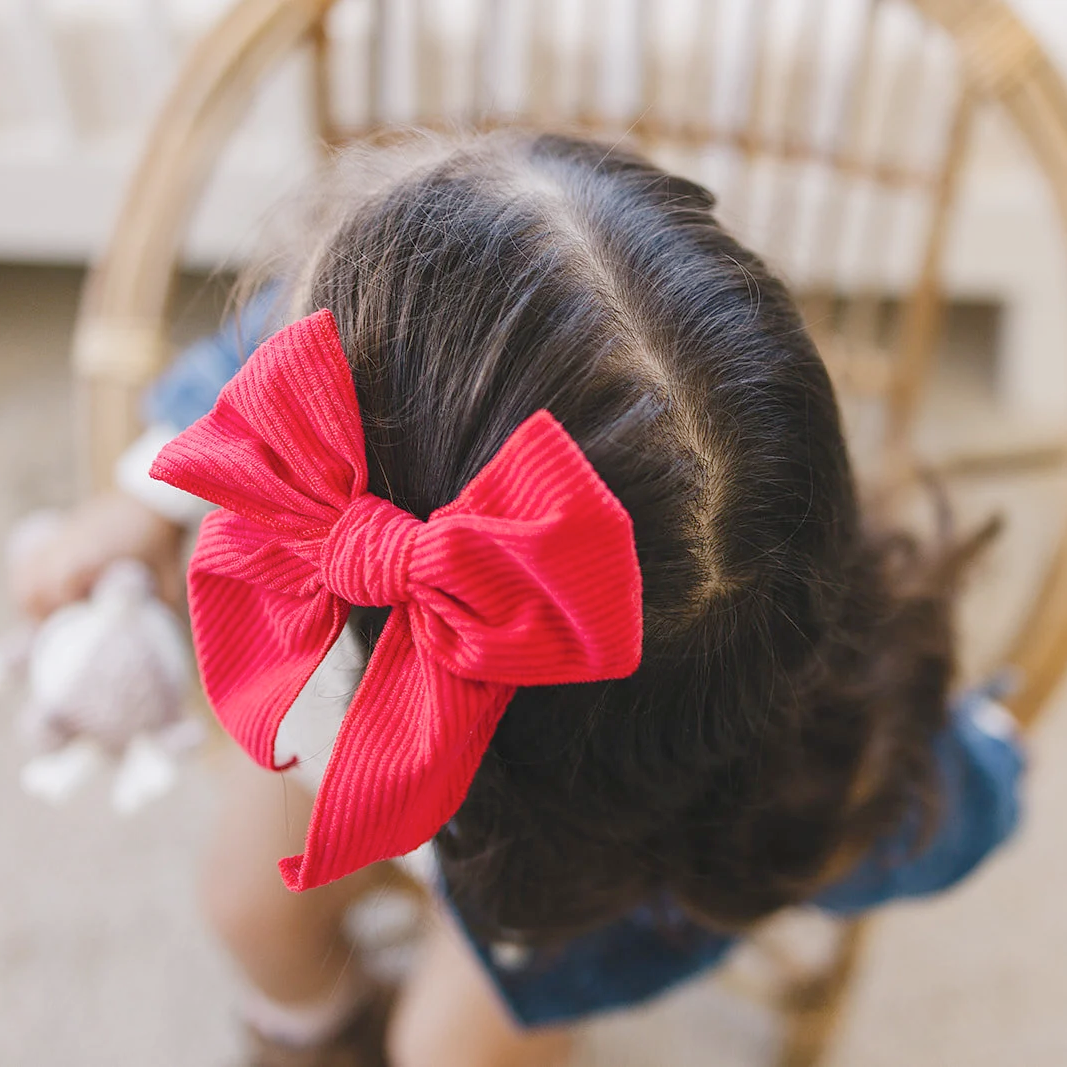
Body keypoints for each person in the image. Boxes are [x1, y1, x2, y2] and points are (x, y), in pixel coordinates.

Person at [11, 131, 1024, 1067]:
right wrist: (143, 495)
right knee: (247, 911)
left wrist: (979, 762)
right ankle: (317, 1031)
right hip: (331, 719)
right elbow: (259, 359)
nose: (279, 341)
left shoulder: (790, 770)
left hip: (558, 892)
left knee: (452, 1048)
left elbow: (939, 802)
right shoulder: (332, 371)